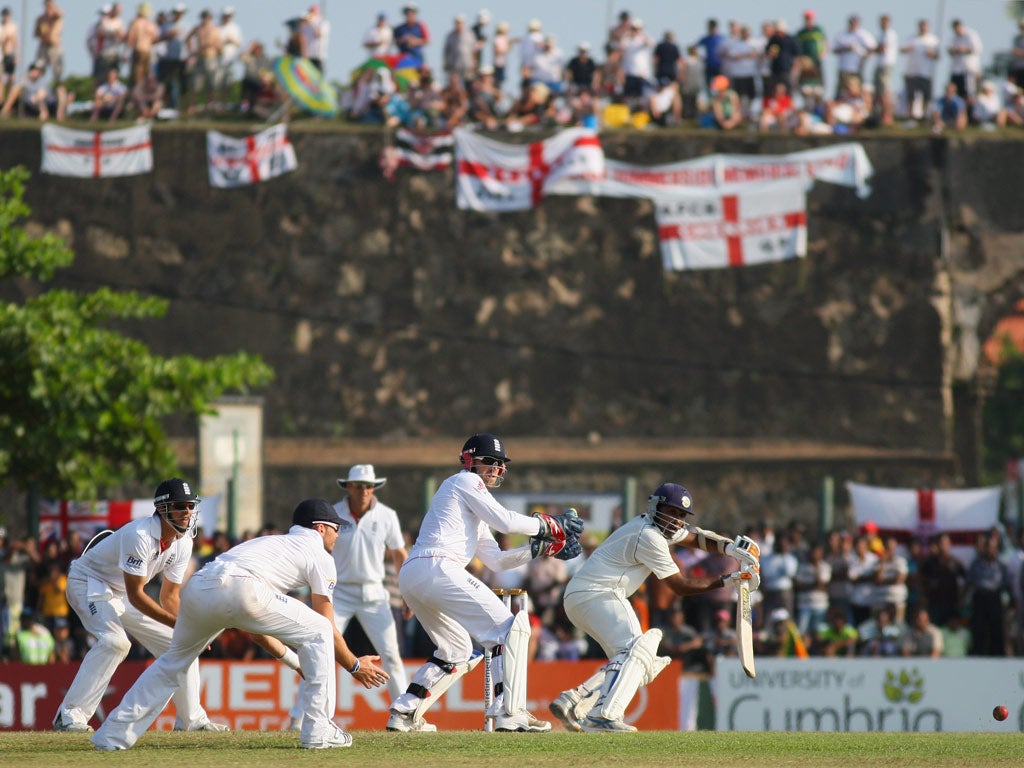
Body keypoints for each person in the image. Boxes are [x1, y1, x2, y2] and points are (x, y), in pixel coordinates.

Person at [92, 498, 389, 750]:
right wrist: (353, 665)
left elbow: (256, 631)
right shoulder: (318, 554)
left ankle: (111, 736)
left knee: (172, 663)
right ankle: (318, 729)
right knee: (321, 630)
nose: (337, 536)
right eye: (336, 529)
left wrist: (296, 662)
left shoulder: (270, 545)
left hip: (199, 587)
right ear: (320, 528)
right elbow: (325, 622)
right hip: (243, 587)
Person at [386, 433, 583, 733]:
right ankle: (509, 711)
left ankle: (404, 712)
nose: (494, 469)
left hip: (416, 575)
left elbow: (498, 561)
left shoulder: (469, 508)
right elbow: (505, 521)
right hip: (438, 566)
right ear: (469, 461)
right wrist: (551, 525)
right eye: (488, 462)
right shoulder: (464, 481)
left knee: (456, 651)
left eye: (499, 464)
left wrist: (544, 548)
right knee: (510, 628)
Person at [548, 482, 760, 733]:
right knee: (640, 648)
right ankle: (603, 715)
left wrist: (731, 547)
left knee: (640, 666)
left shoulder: (660, 528)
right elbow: (681, 586)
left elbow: (696, 537)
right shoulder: (648, 536)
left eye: (682, 515)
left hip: (584, 597)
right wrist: (730, 579)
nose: (677, 521)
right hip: (599, 594)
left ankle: (575, 699)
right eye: (672, 512)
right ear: (656, 507)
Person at [52, 478, 225, 733]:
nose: (188, 512)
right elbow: (136, 595)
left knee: (181, 643)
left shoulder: (184, 542)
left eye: (191, 506)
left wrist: (187, 631)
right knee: (115, 642)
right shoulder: (140, 535)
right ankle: (69, 717)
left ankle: (191, 720)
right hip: (88, 583)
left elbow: (170, 597)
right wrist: (181, 624)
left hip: (120, 591)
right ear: (163, 509)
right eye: (181, 506)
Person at [288, 464, 409, 729]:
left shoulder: (387, 516)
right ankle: (299, 718)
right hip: (338, 591)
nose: (364, 490)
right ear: (348, 486)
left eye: (369, 485)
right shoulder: (333, 514)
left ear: (374, 487)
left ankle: (404, 716)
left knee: (391, 654)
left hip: (375, 591)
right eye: (359, 485)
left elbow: (400, 555)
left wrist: (407, 593)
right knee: (319, 650)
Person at [0, 7, 18, 107]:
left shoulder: (13, 26)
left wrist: (16, 56)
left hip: (10, 54)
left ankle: (9, 102)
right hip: (2, 56)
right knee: (1, 79)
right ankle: (1, 101)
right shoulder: (1, 27)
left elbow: (15, 42)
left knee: (11, 79)